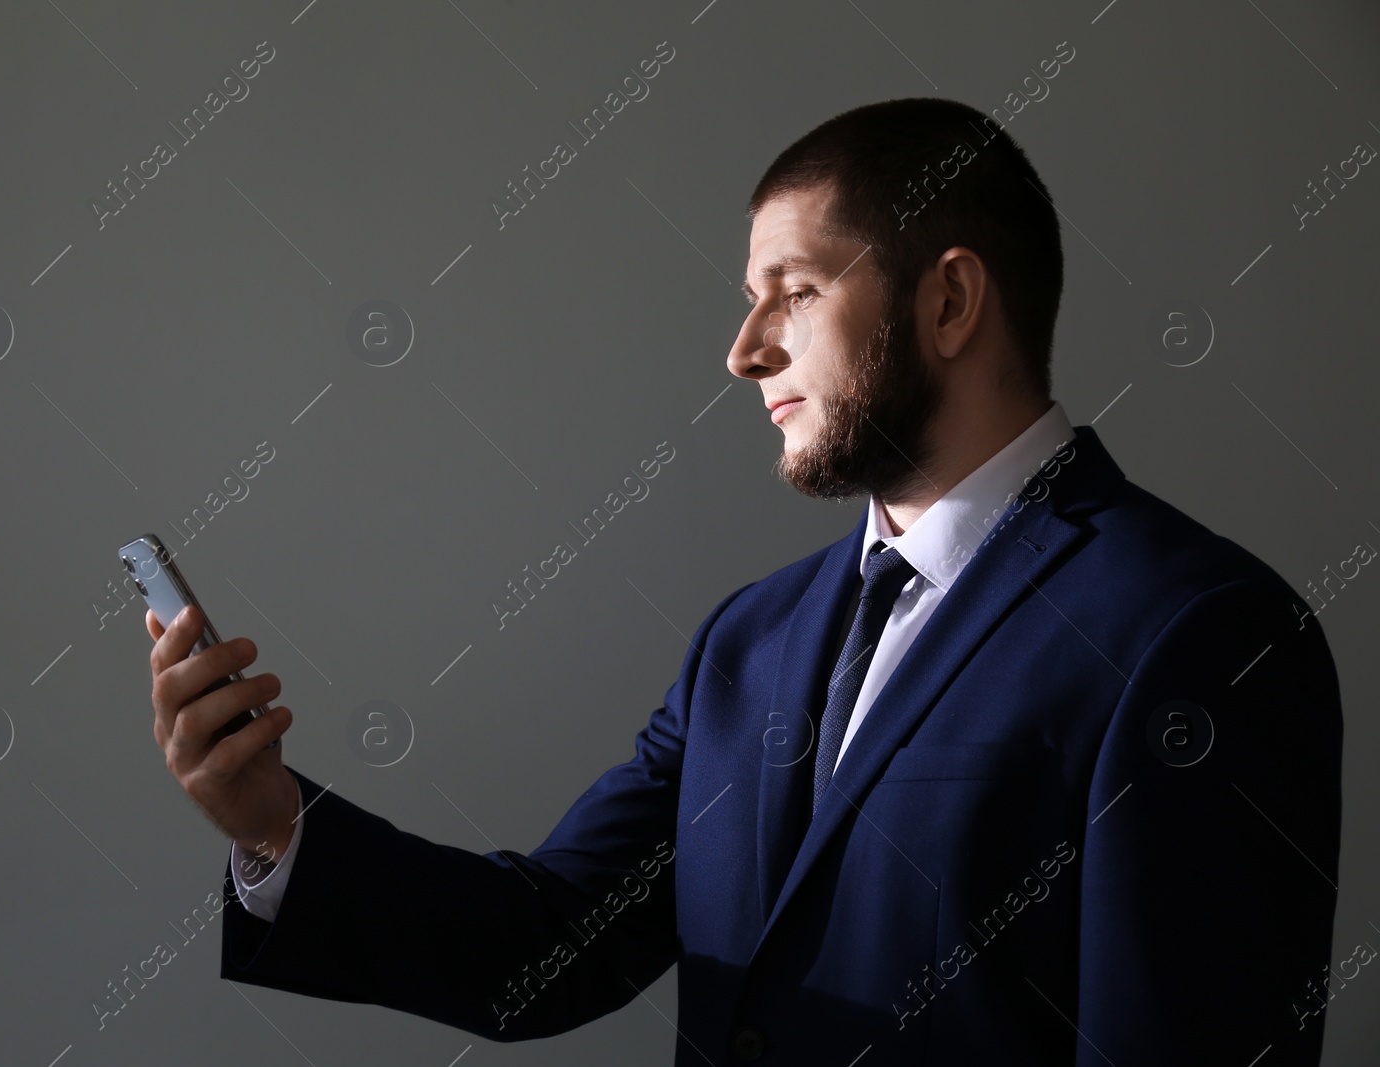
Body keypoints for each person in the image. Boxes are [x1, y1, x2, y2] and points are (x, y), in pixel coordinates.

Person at [145, 97, 1342, 1064]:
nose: (744, 347)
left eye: (797, 291)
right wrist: (272, 825)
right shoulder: (749, 642)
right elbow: (549, 946)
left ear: (949, 299)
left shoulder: (1198, 632)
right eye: (747, 298)